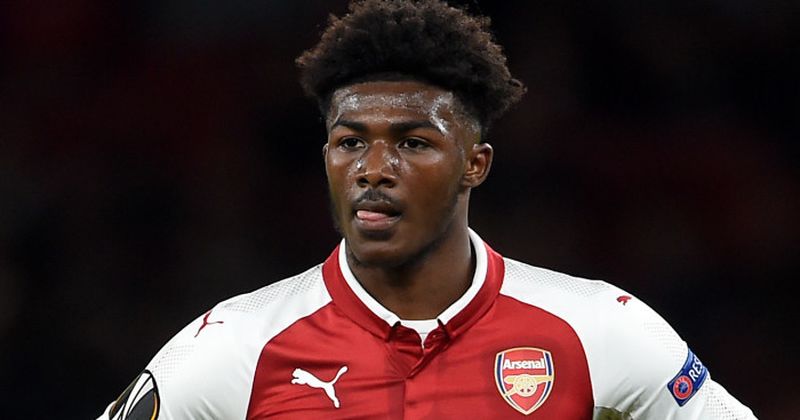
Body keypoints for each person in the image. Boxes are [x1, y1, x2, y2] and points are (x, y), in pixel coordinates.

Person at [98, 0, 756, 418]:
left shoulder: (598, 331)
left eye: (413, 143)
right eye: (350, 142)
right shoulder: (235, 347)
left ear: (476, 163)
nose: (373, 169)